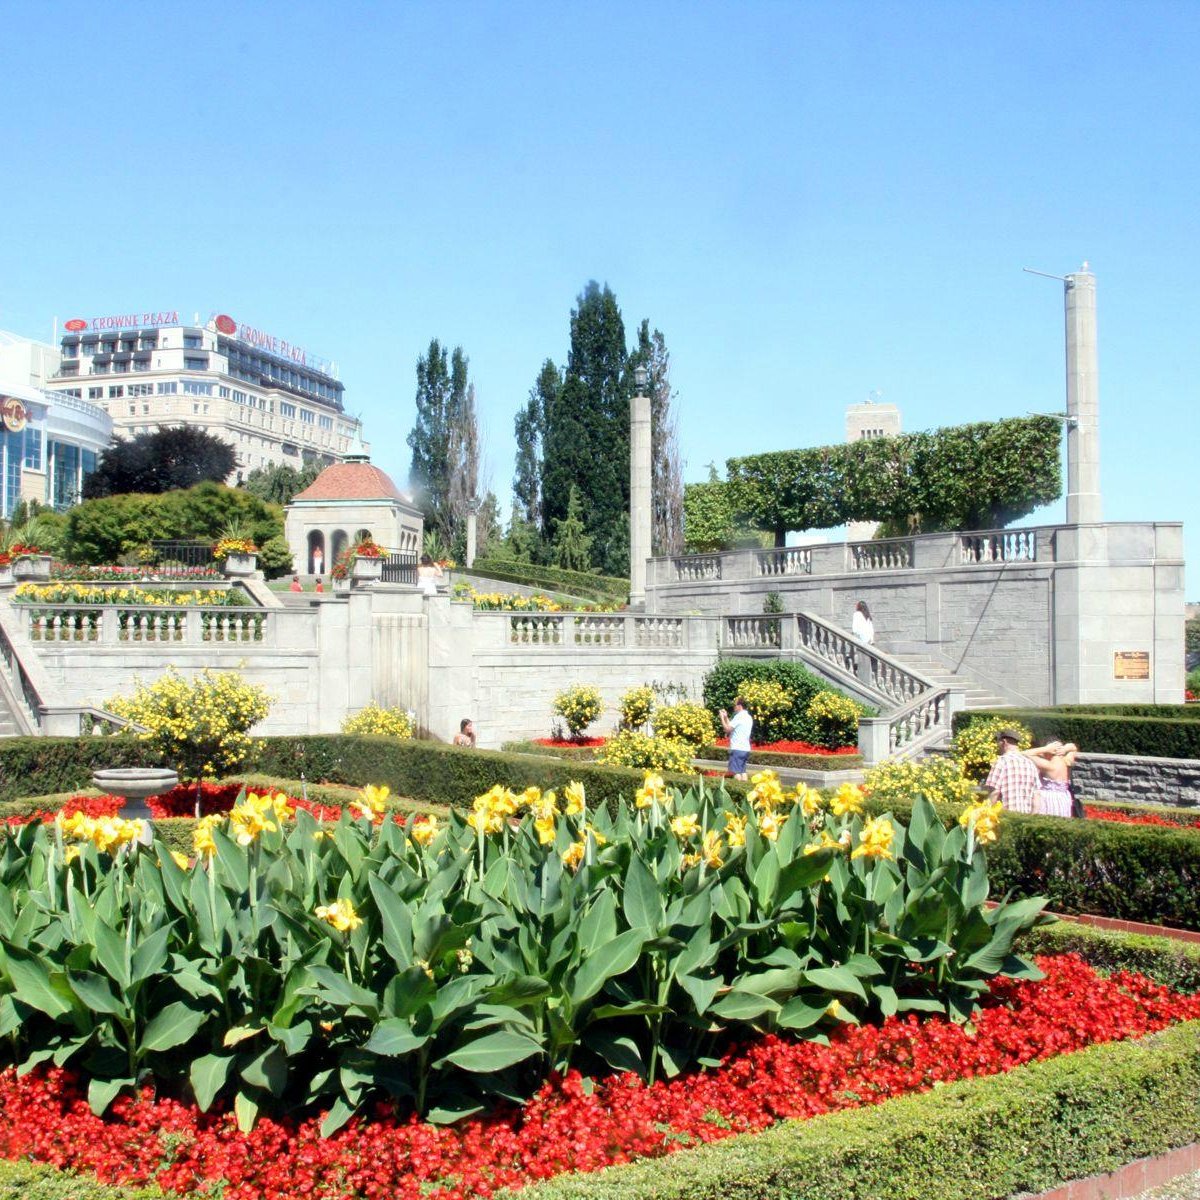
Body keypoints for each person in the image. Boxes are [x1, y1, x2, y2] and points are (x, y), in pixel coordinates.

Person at [984, 728, 1041, 814]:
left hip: (1006, 818)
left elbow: (993, 793)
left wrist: (985, 815)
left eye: (997, 741)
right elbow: (1036, 796)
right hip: (1025, 820)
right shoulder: (1030, 764)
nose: (996, 745)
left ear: (1004, 742)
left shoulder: (1001, 762)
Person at [1024, 740, 1080, 818]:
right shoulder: (1067, 761)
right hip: (1064, 798)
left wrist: (1045, 748)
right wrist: (1065, 749)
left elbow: (1025, 753)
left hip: (1048, 799)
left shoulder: (1048, 765)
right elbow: (1074, 748)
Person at [719, 696, 753, 781]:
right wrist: (726, 717)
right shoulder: (748, 717)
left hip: (737, 748)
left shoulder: (739, 716)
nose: (734, 707)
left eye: (735, 705)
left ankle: (736, 790)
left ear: (740, 706)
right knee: (743, 772)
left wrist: (722, 718)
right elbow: (732, 726)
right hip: (745, 749)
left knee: (735, 773)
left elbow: (727, 729)